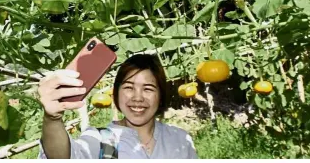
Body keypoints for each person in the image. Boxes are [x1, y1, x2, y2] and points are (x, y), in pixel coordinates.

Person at [37, 53, 198, 159]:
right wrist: (52, 118)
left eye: (148, 89)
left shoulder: (179, 140)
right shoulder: (104, 140)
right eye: (128, 87)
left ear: (161, 95)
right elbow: (63, 158)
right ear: (116, 93)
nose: (137, 97)